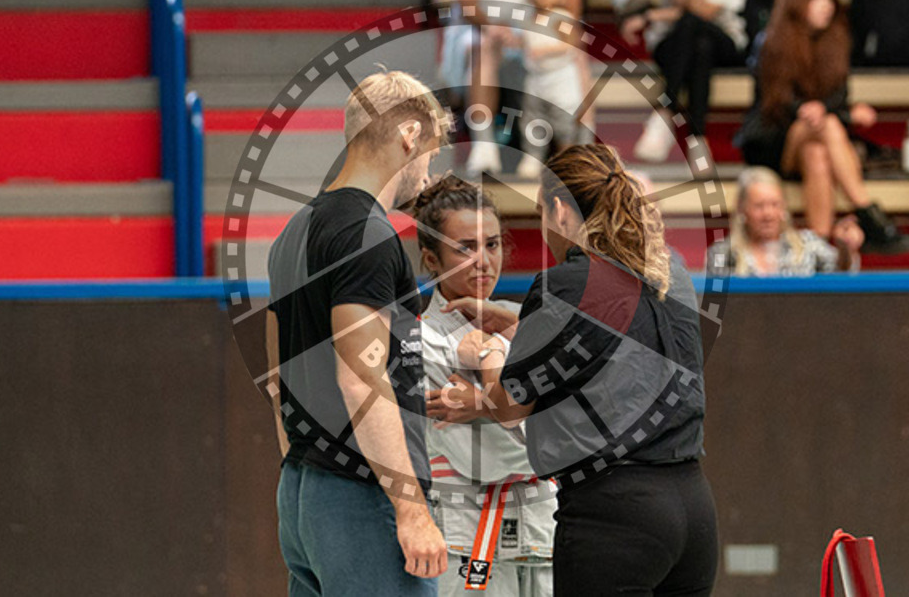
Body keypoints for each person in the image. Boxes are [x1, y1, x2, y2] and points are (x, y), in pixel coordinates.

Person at [446, 144, 718, 596]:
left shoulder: (567, 284)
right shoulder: (671, 268)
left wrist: (489, 352)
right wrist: (520, 323)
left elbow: (509, 406)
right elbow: (618, 341)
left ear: (559, 209)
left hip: (614, 516)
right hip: (692, 507)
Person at [266, 71, 449, 596]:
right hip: (359, 497)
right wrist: (411, 511)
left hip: (303, 493)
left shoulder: (293, 232)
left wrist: (302, 465)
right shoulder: (368, 234)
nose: (427, 175)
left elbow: (278, 376)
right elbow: (361, 380)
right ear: (409, 135)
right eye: (430, 155)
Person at [413, 176, 556, 596]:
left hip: (541, 534)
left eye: (491, 244)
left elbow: (573, 428)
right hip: (466, 542)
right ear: (431, 259)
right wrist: (533, 410)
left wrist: (482, 401)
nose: (483, 261)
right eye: (465, 248)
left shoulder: (520, 320)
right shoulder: (422, 340)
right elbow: (490, 458)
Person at [735, 0, 909, 255]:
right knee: (827, 124)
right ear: (796, 1)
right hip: (774, 141)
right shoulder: (770, 43)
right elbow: (776, 104)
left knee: (817, 155)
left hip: (815, 142)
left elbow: (837, 99)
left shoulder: (837, 42)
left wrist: (830, 111)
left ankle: (819, 249)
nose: (825, 6)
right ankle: (866, 210)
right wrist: (826, 112)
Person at [442, 0, 582, 176]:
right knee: (484, 44)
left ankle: (576, 150)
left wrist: (556, 29)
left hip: (535, 26)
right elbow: (468, 2)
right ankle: (484, 146)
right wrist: (495, 27)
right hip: (478, 27)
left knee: (577, 49)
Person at [620, 0, 750, 157]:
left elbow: (704, 11)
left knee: (696, 27)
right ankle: (697, 138)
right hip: (672, 41)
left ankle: (664, 113)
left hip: (725, 36)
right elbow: (691, 6)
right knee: (700, 45)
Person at [706, 166, 863, 275]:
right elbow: (712, 306)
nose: (768, 214)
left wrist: (846, 249)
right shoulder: (722, 254)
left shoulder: (808, 244)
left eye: (775, 205)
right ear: (742, 209)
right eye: (759, 206)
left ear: (783, 208)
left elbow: (842, 275)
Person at [518, 0, 594, 179]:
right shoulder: (528, 18)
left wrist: (546, 50)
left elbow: (571, 44)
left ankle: (566, 161)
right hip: (535, 79)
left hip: (561, 80)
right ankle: (533, 156)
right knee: (532, 119)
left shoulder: (563, 17)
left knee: (563, 125)